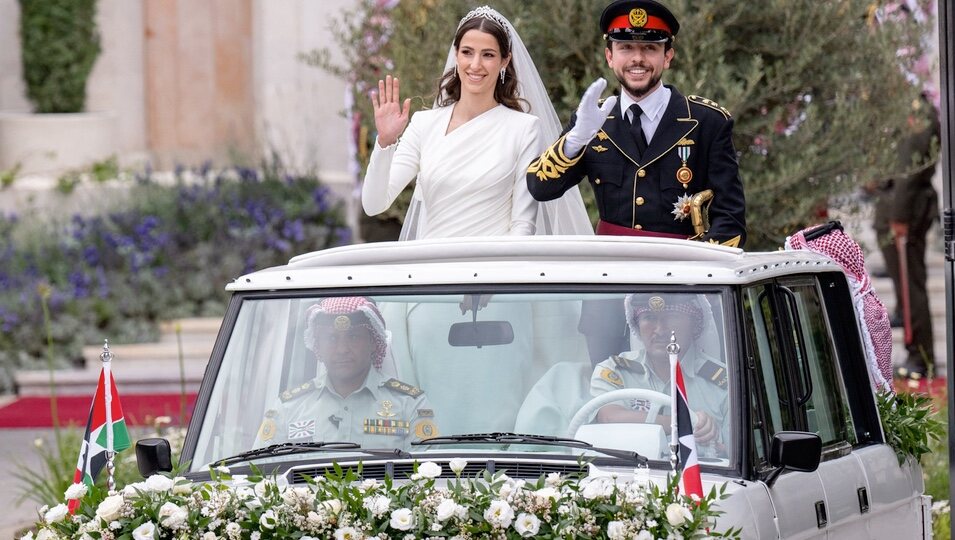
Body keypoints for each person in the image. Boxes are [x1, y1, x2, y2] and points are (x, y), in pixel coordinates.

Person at [525, 0, 745, 247]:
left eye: (650, 48)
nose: (637, 59)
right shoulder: (593, 120)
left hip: (683, 274)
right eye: (626, 47)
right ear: (610, 56)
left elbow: (730, 220)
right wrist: (575, 140)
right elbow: (540, 189)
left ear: (668, 56)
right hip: (613, 272)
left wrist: (696, 270)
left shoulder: (707, 122)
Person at [361, 5, 592, 240]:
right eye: (467, 52)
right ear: (456, 54)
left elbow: (522, 224)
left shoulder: (525, 128)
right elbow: (374, 204)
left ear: (505, 61)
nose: (475, 65)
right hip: (430, 269)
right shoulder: (423, 124)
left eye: (488, 55)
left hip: (490, 270)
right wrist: (385, 141)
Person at [254, 297, 438, 449]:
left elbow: (429, 476)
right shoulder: (289, 408)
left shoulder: (409, 405)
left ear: (373, 342)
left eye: (353, 337)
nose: (342, 349)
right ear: (317, 344)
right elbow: (262, 476)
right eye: (332, 338)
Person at [589, 293, 728, 449]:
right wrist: (686, 423)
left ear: (694, 324)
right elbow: (609, 417)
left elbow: (735, 455)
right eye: (649, 317)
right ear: (637, 325)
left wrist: (717, 444)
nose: (660, 330)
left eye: (672, 316)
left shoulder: (727, 382)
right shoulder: (615, 370)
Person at [872, 94, 940, 380]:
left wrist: (899, 215)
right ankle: (916, 352)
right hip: (893, 204)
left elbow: (909, 170)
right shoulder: (900, 104)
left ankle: (920, 357)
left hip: (906, 208)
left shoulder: (917, 109)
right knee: (905, 286)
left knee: (911, 287)